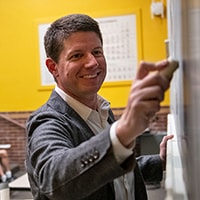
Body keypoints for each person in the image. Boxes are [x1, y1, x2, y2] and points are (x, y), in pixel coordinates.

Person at [26, 14, 174, 200]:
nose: (93, 62)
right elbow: (54, 179)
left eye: (97, 52)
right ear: (53, 67)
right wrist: (124, 130)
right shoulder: (47, 121)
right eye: (77, 55)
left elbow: (107, 174)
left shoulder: (102, 109)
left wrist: (159, 162)